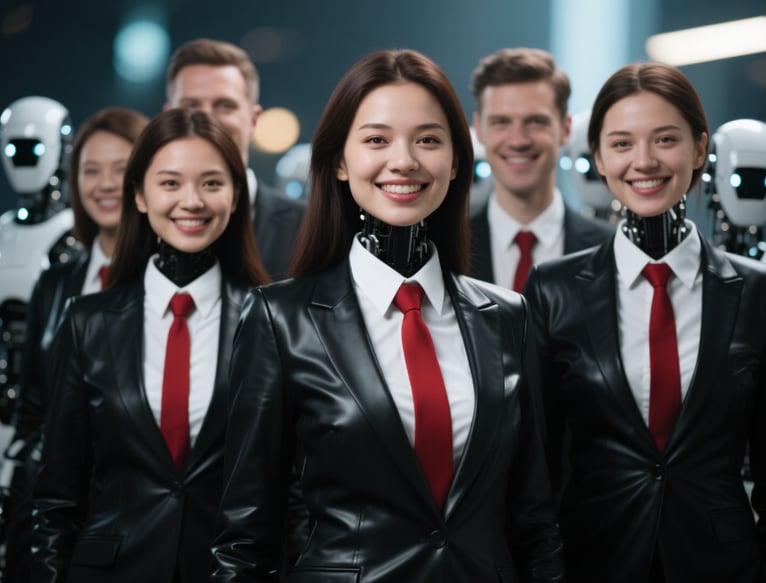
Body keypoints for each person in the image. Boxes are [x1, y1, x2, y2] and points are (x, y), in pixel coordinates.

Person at [210, 48, 563, 582]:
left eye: (428, 139)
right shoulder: (280, 319)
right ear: (339, 161)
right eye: (377, 140)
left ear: (457, 159)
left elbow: (534, 521)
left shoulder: (507, 317)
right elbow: (245, 538)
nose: (405, 160)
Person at [523, 62, 766, 582]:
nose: (644, 161)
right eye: (622, 143)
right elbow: (533, 469)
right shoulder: (552, 289)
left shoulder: (756, 291)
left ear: (701, 150)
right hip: (592, 562)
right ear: (599, 158)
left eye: (664, 139)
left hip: (725, 567)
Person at [30, 108, 269, 583]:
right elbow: (56, 499)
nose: (192, 201)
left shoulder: (271, 319)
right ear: (139, 195)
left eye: (212, 183)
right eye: (170, 183)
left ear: (237, 195)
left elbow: (289, 491)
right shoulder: (88, 321)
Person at [2, 106, 149, 582]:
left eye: (120, 169)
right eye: (90, 170)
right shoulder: (56, 283)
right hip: (49, 513)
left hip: (136, 517)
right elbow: (34, 404)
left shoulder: (167, 285)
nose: (104, 184)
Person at [469, 47, 614, 290]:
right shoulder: (444, 251)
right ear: (479, 129)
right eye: (501, 122)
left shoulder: (612, 250)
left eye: (536, 121)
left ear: (566, 129)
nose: (518, 140)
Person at [165, 37, 305, 280]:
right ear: (168, 118)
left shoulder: (309, 228)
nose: (206, 119)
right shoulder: (139, 228)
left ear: (253, 120)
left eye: (225, 105)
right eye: (191, 105)